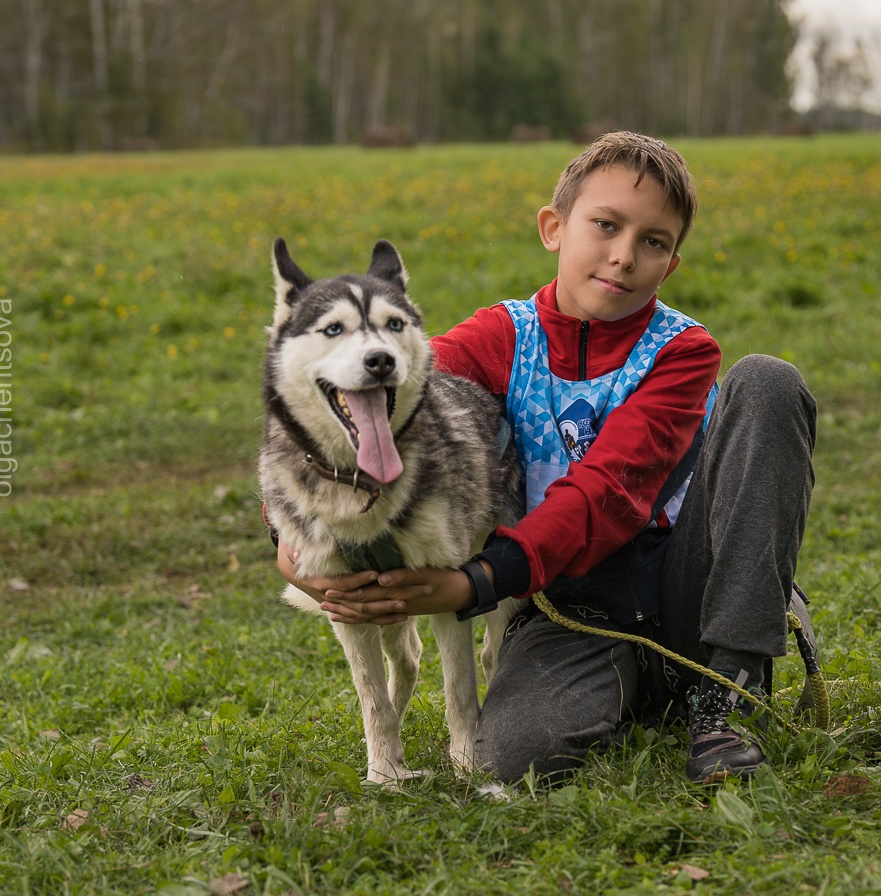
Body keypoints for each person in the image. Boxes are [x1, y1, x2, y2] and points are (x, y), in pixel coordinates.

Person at [275, 132, 817, 784]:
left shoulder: (682, 352)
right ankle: (649, 686)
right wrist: (291, 532)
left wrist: (473, 583)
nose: (622, 257)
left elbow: (607, 491)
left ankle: (725, 689)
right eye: (605, 226)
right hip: (571, 603)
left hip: (692, 581)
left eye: (652, 242)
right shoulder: (503, 335)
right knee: (517, 754)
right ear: (553, 228)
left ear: (670, 263)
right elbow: (383, 397)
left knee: (765, 381)